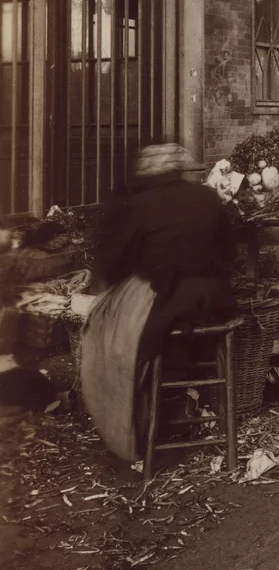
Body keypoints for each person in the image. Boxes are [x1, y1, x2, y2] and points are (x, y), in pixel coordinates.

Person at [80, 144, 238, 463]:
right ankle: (184, 390)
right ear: (179, 170)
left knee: (105, 330)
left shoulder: (137, 205)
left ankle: (133, 420)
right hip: (212, 299)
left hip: (167, 299)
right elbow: (228, 253)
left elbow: (113, 266)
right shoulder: (207, 197)